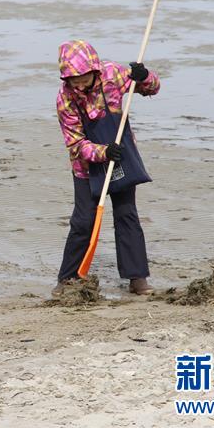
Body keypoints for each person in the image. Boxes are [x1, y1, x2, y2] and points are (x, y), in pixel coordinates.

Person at [53, 39, 159, 297]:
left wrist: (144, 78)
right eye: (72, 79)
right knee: (83, 221)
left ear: (94, 70)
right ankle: (67, 279)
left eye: (82, 77)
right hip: (87, 167)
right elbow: (76, 144)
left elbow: (152, 88)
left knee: (127, 215)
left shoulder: (113, 74)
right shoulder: (65, 99)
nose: (78, 84)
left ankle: (137, 279)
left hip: (121, 156)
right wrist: (102, 152)